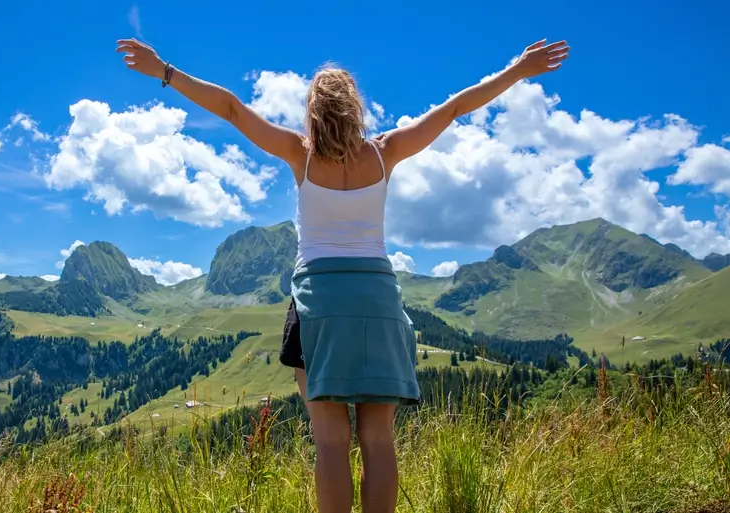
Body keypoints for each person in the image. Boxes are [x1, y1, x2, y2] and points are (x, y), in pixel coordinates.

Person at [117, 37, 568, 513]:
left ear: (313, 112)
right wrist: (517, 70)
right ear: (355, 109)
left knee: (331, 441)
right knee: (379, 440)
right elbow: (455, 108)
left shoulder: (300, 154)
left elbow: (230, 107)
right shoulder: (385, 152)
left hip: (320, 304)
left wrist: (165, 71)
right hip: (378, 303)